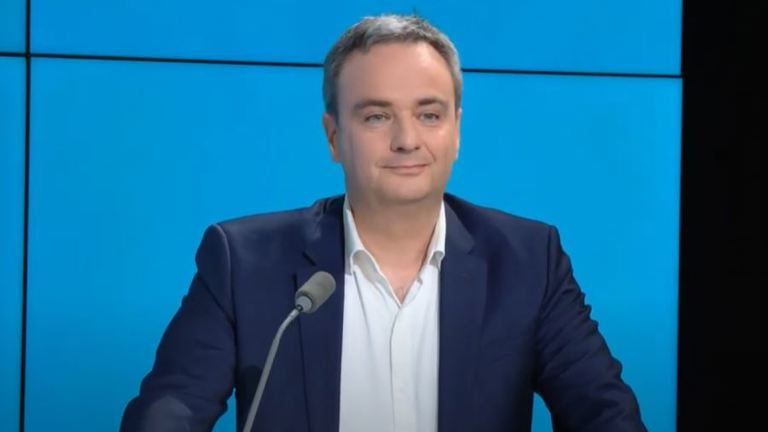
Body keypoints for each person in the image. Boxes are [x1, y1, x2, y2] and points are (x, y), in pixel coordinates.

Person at [120, 14, 646, 432]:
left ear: (456, 131)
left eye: (429, 114)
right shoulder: (243, 261)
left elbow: (605, 414)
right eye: (377, 116)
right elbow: (170, 412)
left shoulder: (529, 260)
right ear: (333, 137)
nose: (407, 140)